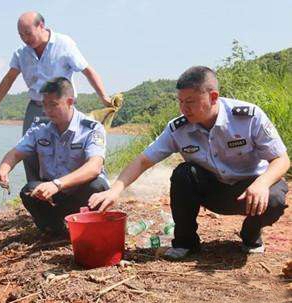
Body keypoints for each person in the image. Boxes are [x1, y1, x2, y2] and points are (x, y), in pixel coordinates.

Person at [88, 66, 289, 259]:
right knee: (184, 173)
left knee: (275, 198)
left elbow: (281, 159)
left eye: (190, 102)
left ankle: (251, 234)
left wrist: (261, 184)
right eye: (180, 101)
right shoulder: (178, 128)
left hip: (251, 192)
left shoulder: (248, 117)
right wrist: (115, 190)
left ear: (213, 97)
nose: (184, 108)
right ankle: (186, 242)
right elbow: (143, 161)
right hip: (213, 192)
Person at [0, 11, 112, 181]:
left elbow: (87, 70)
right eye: (21, 35)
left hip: (61, 106)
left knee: (69, 150)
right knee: (29, 152)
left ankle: (67, 188)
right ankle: (36, 190)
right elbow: (9, 79)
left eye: (28, 33)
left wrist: (103, 97)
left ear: (41, 26)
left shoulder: (64, 44)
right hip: (36, 106)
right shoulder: (21, 53)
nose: (25, 38)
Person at [0, 77, 109, 235]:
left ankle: (86, 226)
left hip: (81, 193)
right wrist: (3, 170)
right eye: (44, 105)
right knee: (29, 191)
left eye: (53, 105)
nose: (47, 111)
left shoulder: (91, 128)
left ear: (69, 101)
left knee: (97, 187)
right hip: (52, 196)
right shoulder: (40, 128)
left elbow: (94, 167)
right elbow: (15, 153)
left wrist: (57, 184)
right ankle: (55, 230)